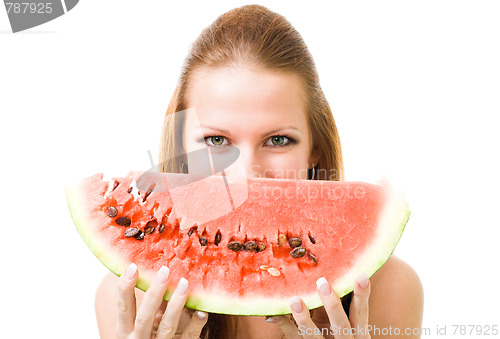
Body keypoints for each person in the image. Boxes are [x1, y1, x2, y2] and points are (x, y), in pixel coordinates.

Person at [95, 5, 423, 338]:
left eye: (278, 140)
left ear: (315, 150)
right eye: (216, 139)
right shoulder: (127, 298)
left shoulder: (388, 290)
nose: (246, 173)